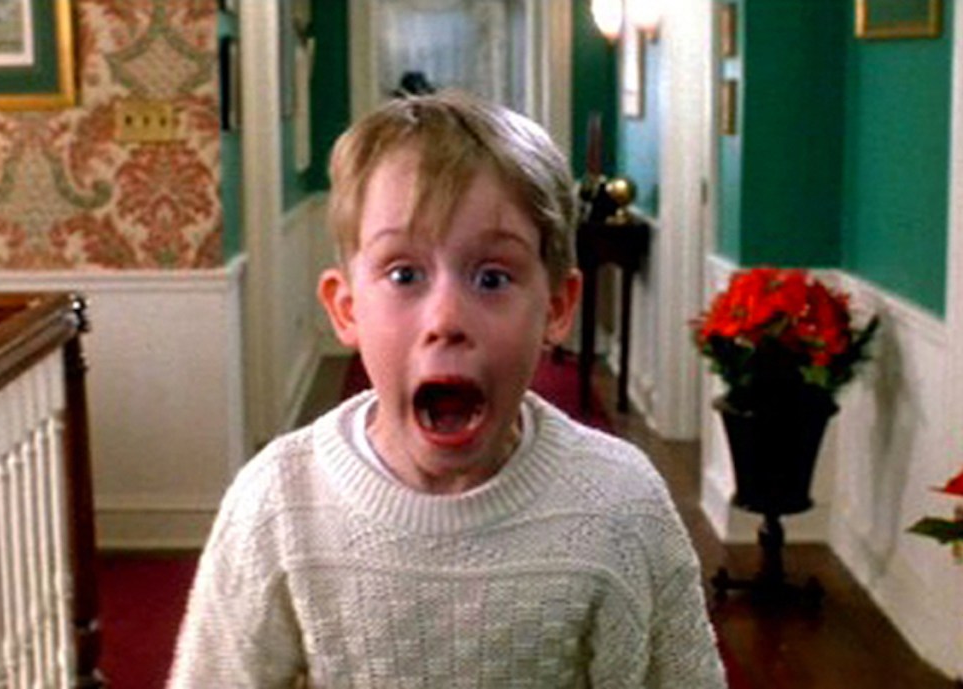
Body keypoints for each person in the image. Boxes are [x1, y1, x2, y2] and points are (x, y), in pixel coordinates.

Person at [168, 91, 726, 688]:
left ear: (557, 307)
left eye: (492, 277)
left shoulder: (621, 504)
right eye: (404, 274)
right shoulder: (276, 505)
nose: (446, 318)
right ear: (347, 307)